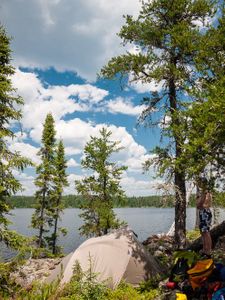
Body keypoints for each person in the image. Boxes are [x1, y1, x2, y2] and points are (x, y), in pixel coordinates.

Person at [197, 179, 213, 257]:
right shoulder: (204, 192)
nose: (199, 184)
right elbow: (199, 205)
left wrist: (201, 202)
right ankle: (205, 249)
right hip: (203, 212)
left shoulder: (206, 192)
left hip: (205, 213)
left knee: (206, 232)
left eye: (200, 183)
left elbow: (199, 205)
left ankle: (208, 251)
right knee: (203, 232)